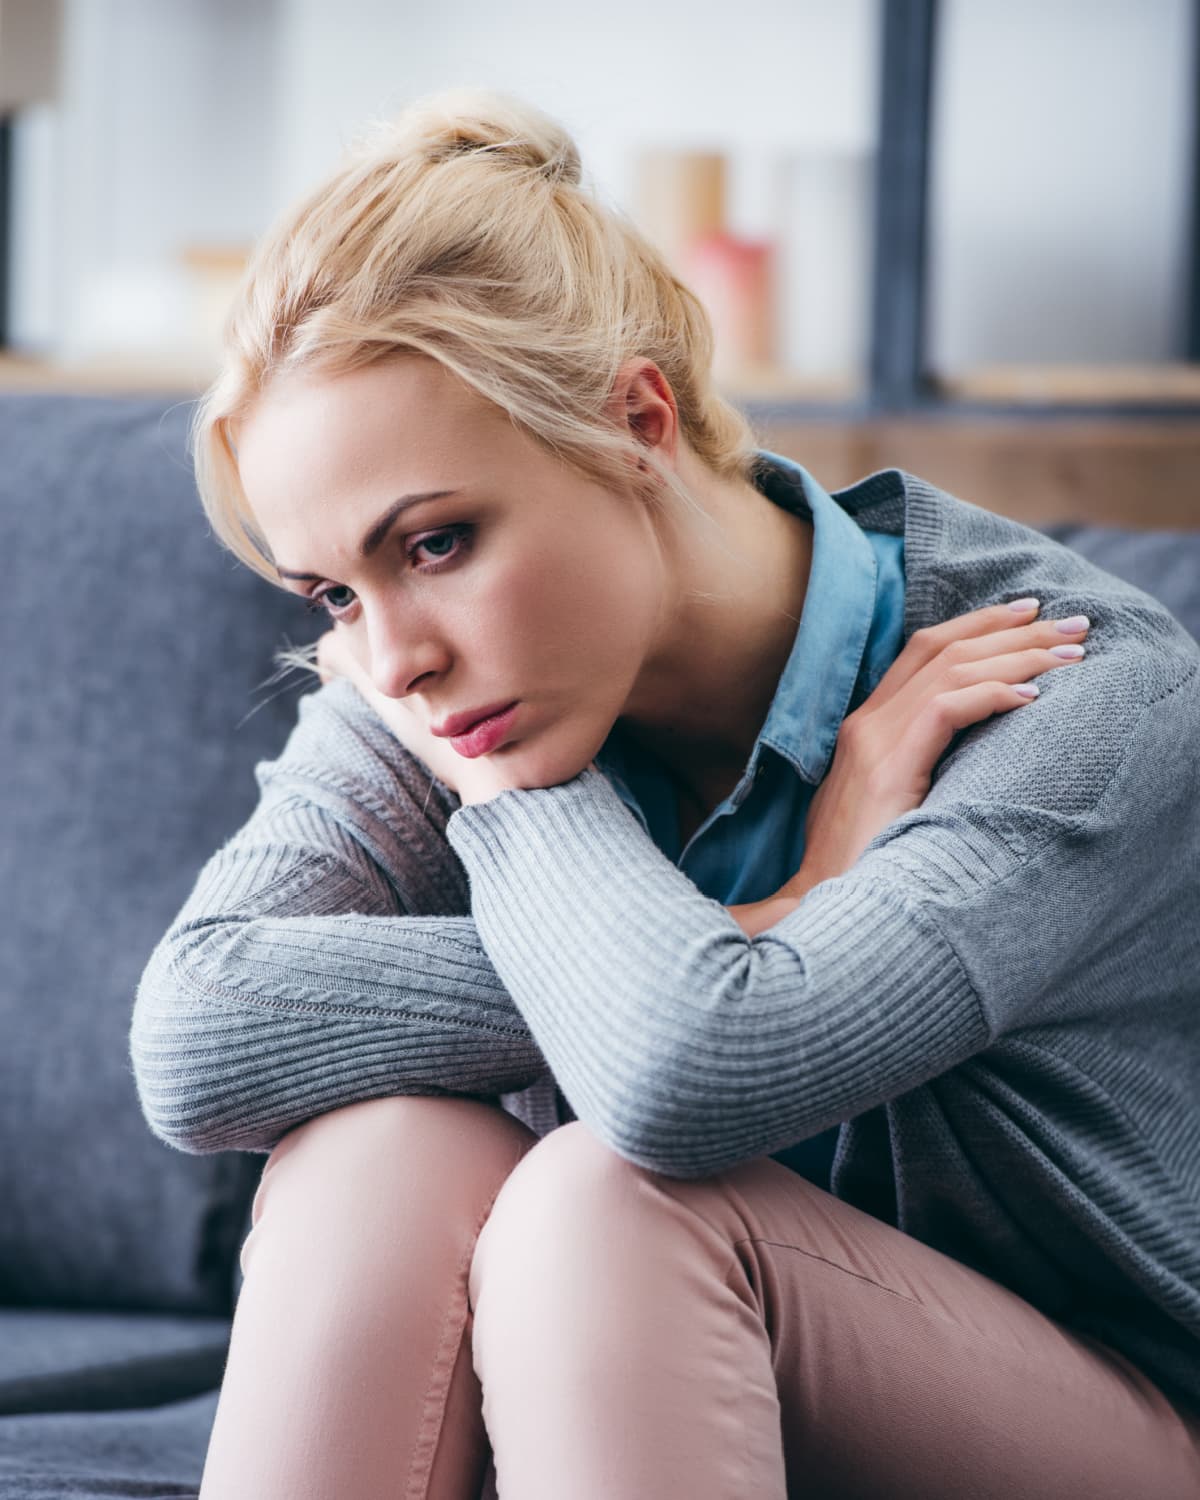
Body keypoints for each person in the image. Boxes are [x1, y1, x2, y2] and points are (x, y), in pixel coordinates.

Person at [130, 87, 1200, 1499]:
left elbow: (692, 1076)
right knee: (378, 1146)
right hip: (651, 1397)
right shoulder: (441, 677)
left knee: (606, 1201)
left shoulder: (1072, 686)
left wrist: (517, 800)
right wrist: (775, 916)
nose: (394, 658)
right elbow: (196, 1034)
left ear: (636, 417)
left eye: (439, 543)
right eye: (334, 590)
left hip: (1106, 1416)